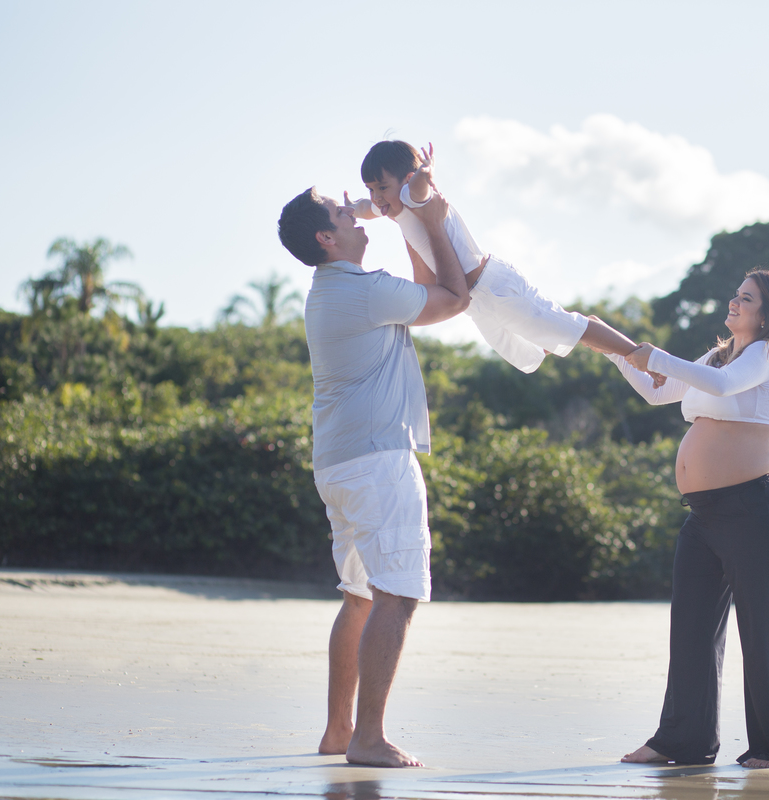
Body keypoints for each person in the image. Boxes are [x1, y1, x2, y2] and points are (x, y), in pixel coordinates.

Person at [277, 185, 469, 767]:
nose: (353, 214)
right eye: (341, 213)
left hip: (340, 462)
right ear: (325, 238)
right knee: (398, 594)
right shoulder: (360, 292)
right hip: (378, 462)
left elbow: (420, 291)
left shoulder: (335, 288)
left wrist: (399, 217)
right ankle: (368, 737)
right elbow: (454, 296)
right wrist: (429, 219)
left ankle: (340, 731)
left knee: (360, 596)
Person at [601, 268, 769, 769]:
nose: (734, 302)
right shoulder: (718, 353)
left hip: (750, 510)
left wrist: (654, 355)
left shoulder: (763, 355)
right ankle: (682, 742)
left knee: (762, 631)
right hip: (704, 514)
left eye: (746, 298)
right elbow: (657, 391)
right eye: (736, 295)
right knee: (690, 629)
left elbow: (720, 384)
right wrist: (610, 347)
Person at [348, 140, 662, 380]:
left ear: (405, 180)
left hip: (493, 286)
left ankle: (638, 354)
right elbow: (367, 208)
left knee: (570, 328)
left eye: (381, 187)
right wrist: (352, 209)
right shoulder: (392, 204)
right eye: (371, 188)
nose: (376, 196)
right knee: (527, 359)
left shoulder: (413, 197)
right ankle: (571, 331)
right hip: (476, 305)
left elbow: (415, 186)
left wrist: (425, 172)